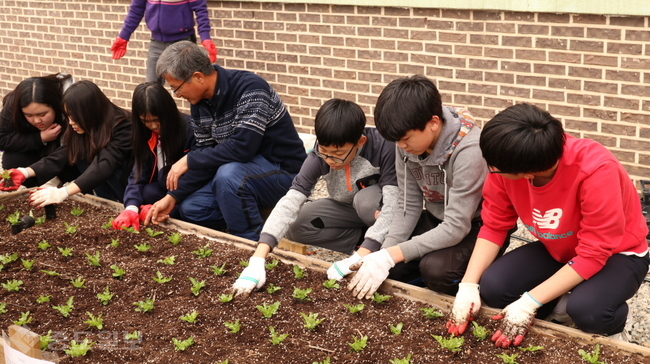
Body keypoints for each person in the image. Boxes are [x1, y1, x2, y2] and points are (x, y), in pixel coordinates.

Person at [446, 103, 649, 347]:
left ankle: (612, 327)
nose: (492, 170)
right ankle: (560, 306)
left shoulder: (595, 170)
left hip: (618, 254)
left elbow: (594, 253)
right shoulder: (509, 162)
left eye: (496, 169)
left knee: (589, 311)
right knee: (494, 287)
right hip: (560, 248)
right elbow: (494, 226)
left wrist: (529, 302)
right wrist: (468, 286)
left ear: (527, 174)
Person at [332, 75, 512, 300]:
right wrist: (383, 255)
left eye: (405, 139)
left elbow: (456, 226)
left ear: (434, 123)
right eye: (396, 141)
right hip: (438, 218)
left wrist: (391, 255)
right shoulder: (406, 143)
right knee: (390, 263)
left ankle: (465, 282)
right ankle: (417, 278)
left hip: (477, 226)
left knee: (436, 271)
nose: (401, 147)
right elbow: (407, 205)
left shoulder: (470, 151)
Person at [232, 99, 399, 296]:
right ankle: (361, 242)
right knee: (299, 224)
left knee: (366, 201)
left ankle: (372, 247)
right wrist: (258, 258)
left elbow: (393, 205)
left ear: (360, 142)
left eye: (338, 154)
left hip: (375, 209)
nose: (329, 160)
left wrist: (361, 256)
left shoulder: (383, 147)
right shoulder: (320, 154)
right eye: (324, 152)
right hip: (346, 209)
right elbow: (292, 199)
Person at [144, 40, 306, 241]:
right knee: (192, 208)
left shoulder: (250, 88)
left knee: (228, 174)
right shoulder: (199, 104)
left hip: (284, 173)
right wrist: (172, 197)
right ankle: (252, 217)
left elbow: (242, 148)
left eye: (177, 88)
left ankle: (250, 242)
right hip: (243, 173)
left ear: (198, 77)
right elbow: (207, 157)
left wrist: (188, 160)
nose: (177, 95)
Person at [4, 81, 133, 206]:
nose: (70, 122)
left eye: (74, 117)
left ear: (90, 112)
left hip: (127, 183)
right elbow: (63, 154)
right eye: (68, 116)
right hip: (103, 180)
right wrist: (24, 172)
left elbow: (104, 165)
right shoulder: (84, 125)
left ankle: (123, 203)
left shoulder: (124, 126)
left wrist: (64, 192)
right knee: (79, 156)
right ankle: (106, 203)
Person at [112, 82, 200, 231]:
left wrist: (171, 198)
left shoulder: (190, 130)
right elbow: (138, 174)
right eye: (146, 121)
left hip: (189, 189)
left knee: (188, 209)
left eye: (157, 120)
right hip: (164, 188)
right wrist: (131, 208)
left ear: (168, 112)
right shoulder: (144, 134)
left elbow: (199, 175)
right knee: (146, 193)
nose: (153, 126)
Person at [0, 73, 78, 189]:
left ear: (56, 106)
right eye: (28, 115)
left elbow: (74, 149)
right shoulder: (13, 104)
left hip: (64, 155)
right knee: (12, 159)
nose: (37, 120)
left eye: (42, 114)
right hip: (34, 148)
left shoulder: (70, 105)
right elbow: (2, 139)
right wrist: (39, 138)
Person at [110, 0, 217, 83]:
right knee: (151, 88)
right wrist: (124, 36)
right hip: (156, 43)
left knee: (190, 87)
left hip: (183, 43)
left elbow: (200, 9)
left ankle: (198, 112)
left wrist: (205, 36)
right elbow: (136, 10)